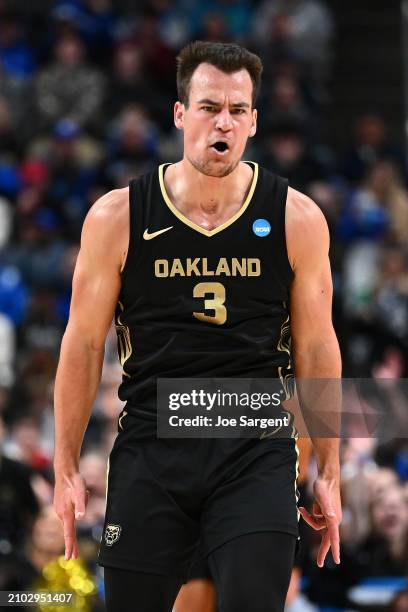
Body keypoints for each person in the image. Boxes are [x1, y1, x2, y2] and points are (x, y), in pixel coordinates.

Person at [53, 41, 342, 612]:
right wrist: (66, 465)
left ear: (254, 121)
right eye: (210, 107)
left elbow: (317, 346)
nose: (224, 122)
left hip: (256, 444)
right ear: (181, 113)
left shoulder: (297, 217)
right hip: (153, 440)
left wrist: (329, 468)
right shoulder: (119, 216)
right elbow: (83, 343)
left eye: (238, 110)